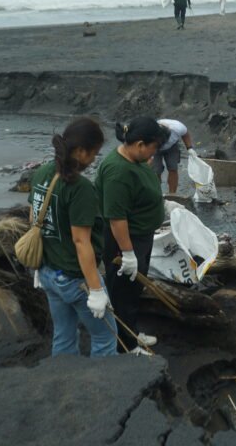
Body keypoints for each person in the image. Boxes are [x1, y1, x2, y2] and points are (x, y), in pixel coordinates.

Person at [29, 117, 117, 358]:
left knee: (64, 335)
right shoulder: (80, 189)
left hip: (48, 273)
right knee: (105, 336)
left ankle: (62, 384)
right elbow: (81, 242)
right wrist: (96, 290)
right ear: (80, 151)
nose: (93, 160)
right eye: (94, 153)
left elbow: (35, 219)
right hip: (75, 278)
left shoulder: (42, 174)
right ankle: (106, 390)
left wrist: (39, 266)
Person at [97, 117, 168, 355]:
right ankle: (125, 345)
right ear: (139, 144)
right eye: (153, 147)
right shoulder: (118, 172)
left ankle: (131, 332)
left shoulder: (135, 160)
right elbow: (117, 219)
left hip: (141, 236)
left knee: (133, 288)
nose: (154, 153)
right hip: (126, 240)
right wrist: (127, 254)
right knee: (122, 293)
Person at [153, 119, 196, 194]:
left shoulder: (178, 128)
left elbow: (185, 134)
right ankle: (157, 193)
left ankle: (172, 194)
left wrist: (189, 148)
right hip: (154, 147)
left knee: (173, 168)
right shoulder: (151, 130)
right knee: (156, 171)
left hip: (172, 147)